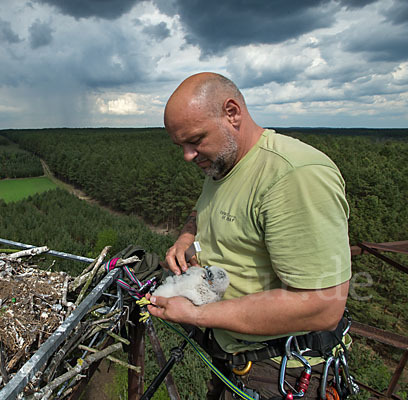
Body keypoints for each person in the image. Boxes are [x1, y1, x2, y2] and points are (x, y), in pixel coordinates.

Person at [146, 72, 352, 400]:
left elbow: (321, 306)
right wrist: (186, 238)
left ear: (232, 113)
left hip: (282, 370)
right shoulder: (223, 164)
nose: (187, 155)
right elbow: (203, 211)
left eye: (195, 140)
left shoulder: (293, 176)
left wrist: (197, 314)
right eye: (180, 145)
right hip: (237, 357)